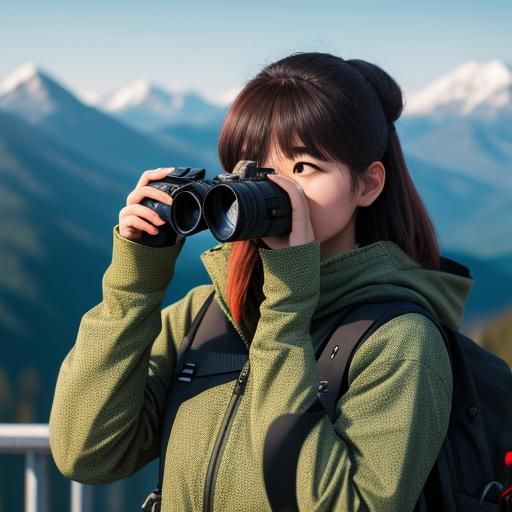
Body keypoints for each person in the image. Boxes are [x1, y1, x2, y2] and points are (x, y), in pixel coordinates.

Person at [49, 51, 473, 511]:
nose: (277, 187)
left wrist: (287, 306)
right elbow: (87, 453)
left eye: (303, 167)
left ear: (368, 184)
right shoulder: (203, 315)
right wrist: (135, 283)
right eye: (253, 168)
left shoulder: (398, 341)